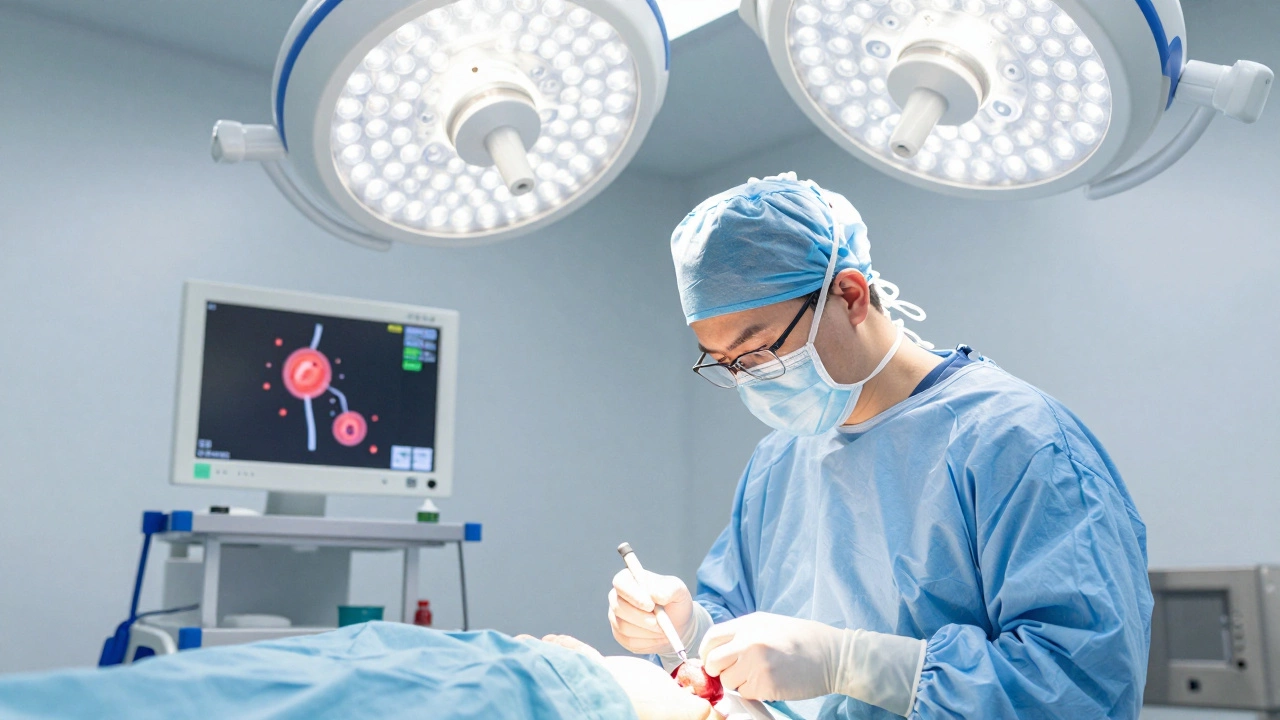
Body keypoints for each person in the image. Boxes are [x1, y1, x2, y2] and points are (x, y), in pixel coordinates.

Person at [608, 173, 1152, 719]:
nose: (748, 380)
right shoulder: (780, 459)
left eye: (756, 352)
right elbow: (751, 633)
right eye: (724, 364)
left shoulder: (1017, 442)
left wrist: (852, 665)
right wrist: (690, 629)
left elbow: (1081, 688)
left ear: (850, 296)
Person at [0, 622, 718, 720]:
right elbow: (720, 628)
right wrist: (693, 624)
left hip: (536, 690)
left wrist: (838, 664)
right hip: (512, 664)